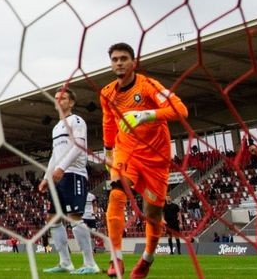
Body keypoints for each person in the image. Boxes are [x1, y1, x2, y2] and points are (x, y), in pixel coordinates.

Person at [100, 42, 189, 279]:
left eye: (123, 58)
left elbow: (180, 110)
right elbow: (109, 122)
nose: (118, 62)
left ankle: (147, 259)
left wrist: (145, 115)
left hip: (156, 158)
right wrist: (108, 150)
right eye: (115, 59)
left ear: (134, 62)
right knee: (117, 193)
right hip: (126, 152)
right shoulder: (107, 93)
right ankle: (116, 256)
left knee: (152, 214)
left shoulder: (148, 86)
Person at [38, 86, 100, 274]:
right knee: (53, 219)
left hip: (73, 174)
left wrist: (61, 168)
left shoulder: (76, 120)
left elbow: (79, 145)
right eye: (56, 98)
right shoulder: (57, 127)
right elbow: (55, 155)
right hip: (58, 176)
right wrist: (46, 177)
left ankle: (90, 264)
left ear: (71, 102)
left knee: (74, 217)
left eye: (63, 98)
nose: (59, 101)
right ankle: (65, 262)